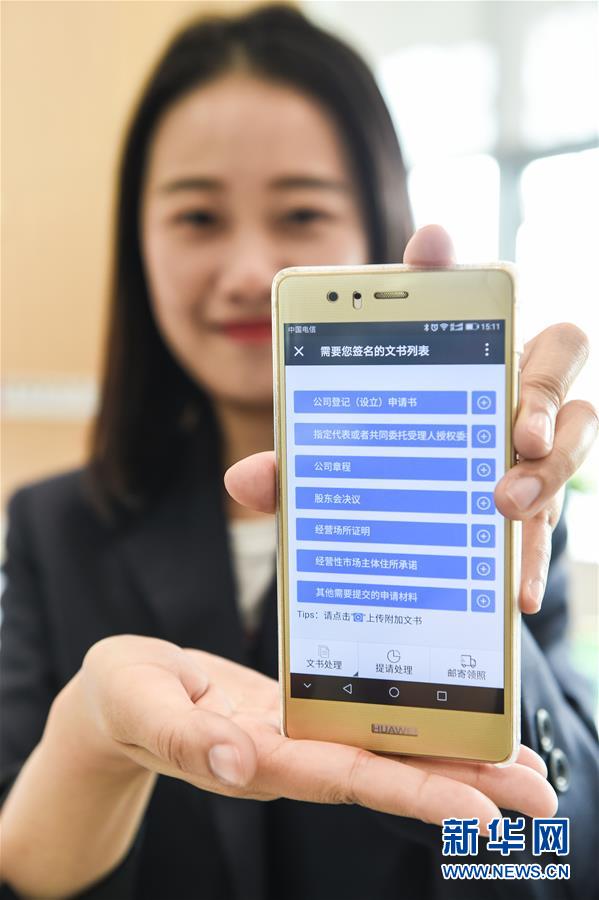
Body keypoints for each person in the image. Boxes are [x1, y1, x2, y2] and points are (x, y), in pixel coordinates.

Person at [1, 6, 597, 899]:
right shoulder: (52, 528)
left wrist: (480, 680)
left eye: (301, 211)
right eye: (198, 215)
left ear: (375, 220)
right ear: (139, 240)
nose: (250, 271)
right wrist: (92, 743)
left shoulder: (496, 505)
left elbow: (560, 868)